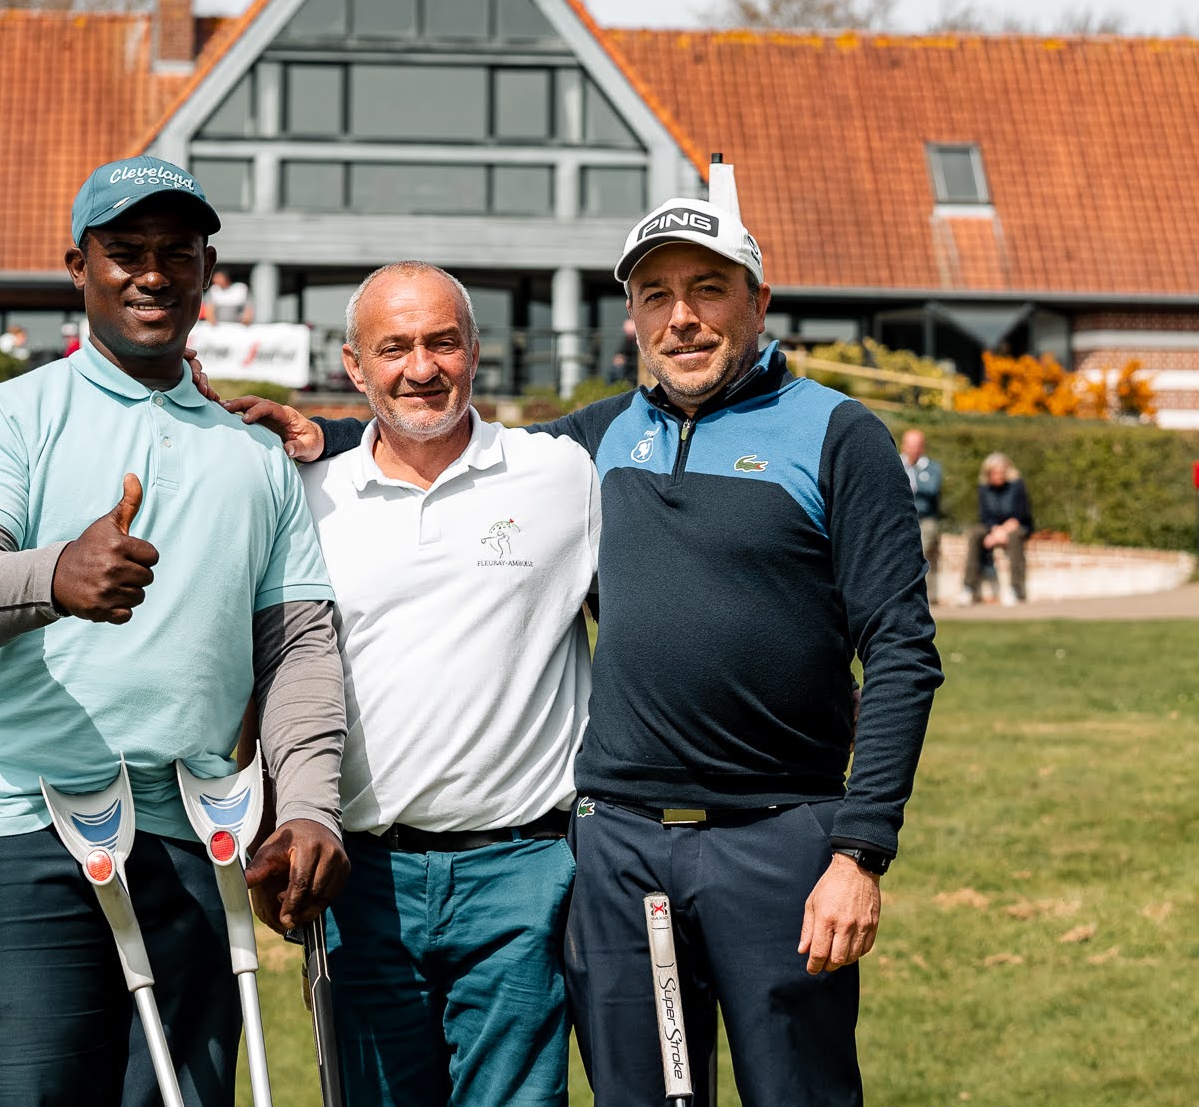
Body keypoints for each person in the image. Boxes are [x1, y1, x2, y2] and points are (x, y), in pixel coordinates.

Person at [236, 164, 943, 1107]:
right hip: (619, 852)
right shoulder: (592, 442)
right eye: (658, 296)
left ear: (758, 300)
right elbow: (432, 430)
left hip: (781, 843)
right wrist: (321, 429)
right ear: (633, 319)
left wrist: (860, 852)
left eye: (707, 290)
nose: (682, 317)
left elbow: (901, 649)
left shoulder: (837, 433)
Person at [0, 155, 349, 1106]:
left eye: (177, 254)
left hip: (196, 835)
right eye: (126, 253)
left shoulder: (255, 458)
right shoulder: (7, 418)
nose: (153, 274)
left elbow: (300, 648)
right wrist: (54, 577)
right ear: (79, 268)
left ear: (206, 273)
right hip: (16, 829)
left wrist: (309, 805)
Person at [295, 262, 598, 1106]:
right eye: (393, 348)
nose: (421, 369)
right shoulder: (310, 492)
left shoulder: (564, 477)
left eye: (442, 343)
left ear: (476, 352)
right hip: (362, 882)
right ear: (353, 366)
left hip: (522, 873)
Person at [962, 451, 1032, 605]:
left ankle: (1016, 589)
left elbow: (1020, 515)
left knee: (1014, 537)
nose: (998, 475)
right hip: (992, 527)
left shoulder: (1017, 486)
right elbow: (985, 515)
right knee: (975, 534)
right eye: (995, 472)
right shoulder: (984, 489)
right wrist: (994, 531)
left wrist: (1001, 532)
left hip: (1015, 526)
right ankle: (968, 587)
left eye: (1001, 472)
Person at [900, 427, 944, 603]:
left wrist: (913, 486)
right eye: (909, 445)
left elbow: (932, 489)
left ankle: (921, 596)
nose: (912, 449)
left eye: (916, 445)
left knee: (921, 551)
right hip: (902, 519)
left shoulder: (932, 467)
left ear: (922, 447)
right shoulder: (895, 464)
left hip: (925, 519)